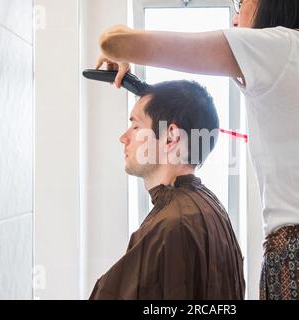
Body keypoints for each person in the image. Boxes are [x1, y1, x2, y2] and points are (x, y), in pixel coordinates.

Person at [94, 0, 299, 300]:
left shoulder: (282, 46)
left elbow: (114, 41)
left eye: (241, 2)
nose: (237, 15)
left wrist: (121, 50)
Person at [89, 80, 245, 300]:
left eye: (135, 127)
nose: (123, 138)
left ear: (171, 137)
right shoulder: (213, 209)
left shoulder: (170, 226)